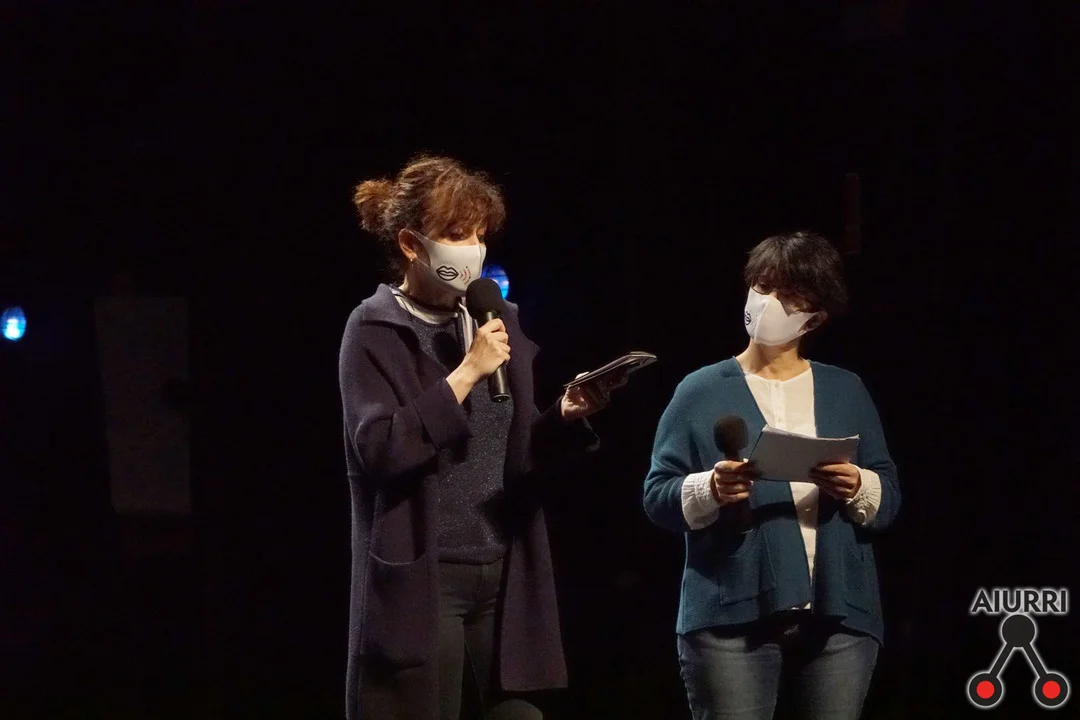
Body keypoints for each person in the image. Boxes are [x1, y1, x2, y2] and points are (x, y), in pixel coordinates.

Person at [339, 155, 617, 720]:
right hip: (427, 574)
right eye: (456, 235)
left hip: (503, 566)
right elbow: (382, 450)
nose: (473, 249)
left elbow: (513, 445)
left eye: (479, 235)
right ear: (411, 244)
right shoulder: (374, 328)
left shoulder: (496, 318)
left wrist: (562, 416)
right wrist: (466, 372)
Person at [643, 231, 901, 720]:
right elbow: (657, 496)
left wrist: (858, 485)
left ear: (815, 317)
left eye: (789, 295)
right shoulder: (700, 390)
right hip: (729, 614)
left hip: (839, 614)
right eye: (762, 287)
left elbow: (888, 498)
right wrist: (710, 488)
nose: (769, 303)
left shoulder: (845, 390)